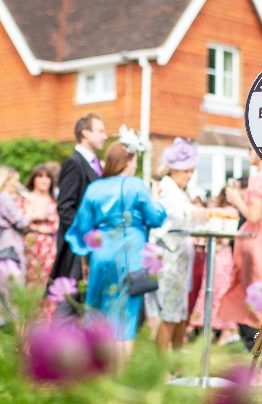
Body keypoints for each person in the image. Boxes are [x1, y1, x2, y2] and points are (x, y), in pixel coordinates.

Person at [65, 135, 166, 367]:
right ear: (127, 160)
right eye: (134, 161)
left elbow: (81, 228)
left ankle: (95, 367)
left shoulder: (94, 188)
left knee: (98, 310)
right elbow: (155, 216)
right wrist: (157, 198)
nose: (135, 165)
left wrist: (85, 255)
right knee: (126, 315)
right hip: (132, 253)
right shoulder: (136, 185)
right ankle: (119, 372)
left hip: (102, 252)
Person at [219, 149, 262, 386]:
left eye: (250, 149)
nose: (248, 153)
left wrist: (236, 199)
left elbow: (254, 215)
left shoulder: (259, 178)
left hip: (259, 245)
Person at [146, 138, 202, 365]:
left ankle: (176, 364)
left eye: (192, 171)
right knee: (168, 312)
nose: (189, 175)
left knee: (179, 312)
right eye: (186, 171)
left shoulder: (178, 189)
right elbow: (181, 216)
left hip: (179, 259)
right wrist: (204, 213)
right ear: (174, 168)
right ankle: (164, 366)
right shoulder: (167, 188)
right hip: (167, 257)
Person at [49, 113, 107, 315]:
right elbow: (65, 207)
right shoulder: (74, 163)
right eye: (100, 131)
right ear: (85, 133)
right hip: (77, 246)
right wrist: (84, 240)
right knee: (70, 303)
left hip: (93, 243)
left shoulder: (95, 164)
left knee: (84, 304)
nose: (105, 136)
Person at [189, 188, 238, 345]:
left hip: (219, 254)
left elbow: (226, 236)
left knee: (214, 292)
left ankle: (220, 331)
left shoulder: (228, 212)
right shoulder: (222, 212)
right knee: (213, 292)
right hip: (216, 253)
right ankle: (214, 331)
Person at [0, 166, 32, 339]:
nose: (17, 184)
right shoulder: (5, 197)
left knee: (0, 300)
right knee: (14, 296)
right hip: (10, 249)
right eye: (15, 180)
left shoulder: (1, 198)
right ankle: (22, 343)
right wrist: (30, 213)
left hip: (5, 247)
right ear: (6, 181)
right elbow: (22, 221)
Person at [21, 165, 59, 286]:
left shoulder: (54, 201)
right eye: (40, 177)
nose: (44, 180)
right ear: (34, 179)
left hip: (49, 246)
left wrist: (38, 227)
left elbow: (57, 225)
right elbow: (20, 222)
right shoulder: (26, 198)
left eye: (48, 177)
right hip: (30, 244)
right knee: (30, 280)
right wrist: (36, 220)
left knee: (47, 280)